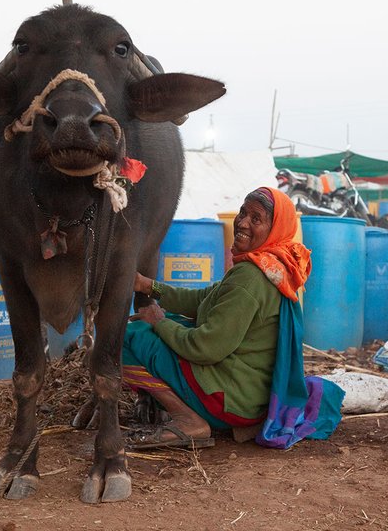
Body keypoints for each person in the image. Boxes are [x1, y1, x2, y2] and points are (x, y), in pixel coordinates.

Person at [123, 187, 345, 449]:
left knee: (126, 337)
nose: (242, 222)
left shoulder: (250, 278)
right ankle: (166, 404)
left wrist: (159, 322)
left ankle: (189, 420)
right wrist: (149, 286)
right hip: (253, 392)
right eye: (243, 212)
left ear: (274, 228)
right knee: (165, 323)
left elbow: (205, 348)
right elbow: (202, 301)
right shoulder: (268, 265)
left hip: (232, 399)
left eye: (256, 218)